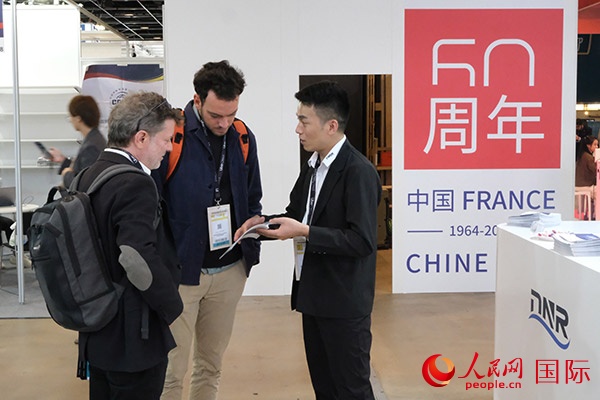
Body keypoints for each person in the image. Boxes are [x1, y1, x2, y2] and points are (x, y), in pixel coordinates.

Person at [236, 80, 382, 399]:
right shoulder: (313, 167)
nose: (298, 129)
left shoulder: (358, 172)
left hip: (344, 303)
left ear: (331, 126)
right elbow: (296, 215)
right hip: (314, 296)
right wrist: (260, 224)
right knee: (324, 387)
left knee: (352, 389)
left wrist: (305, 232)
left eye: (304, 121)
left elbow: (361, 241)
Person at [154, 60, 263, 400]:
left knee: (210, 365)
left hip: (229, 270)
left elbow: (253, 196)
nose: (224, 123)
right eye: (216, 115)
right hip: (181, 274)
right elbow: (151, 203)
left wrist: (252, 233)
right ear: (197, 100)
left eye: (231, 114)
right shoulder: (172, 136)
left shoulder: (242, 136)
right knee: (171, 371)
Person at [75, 91, 184, 400]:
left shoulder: (87, 176)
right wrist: (171, 305)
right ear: (141, 137)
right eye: (166, 139)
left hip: (97, 328)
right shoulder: (136, 183)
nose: (169, 147)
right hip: (133, 336)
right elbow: (135, 257)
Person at [48, 95, 107, 188]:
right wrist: (63, 160)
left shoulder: (91, 147)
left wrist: (66, 175)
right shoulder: (94, 139)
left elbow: (84, 184)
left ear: (78, 118)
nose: (70, 120)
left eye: (70, 116)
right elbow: (81, 170)